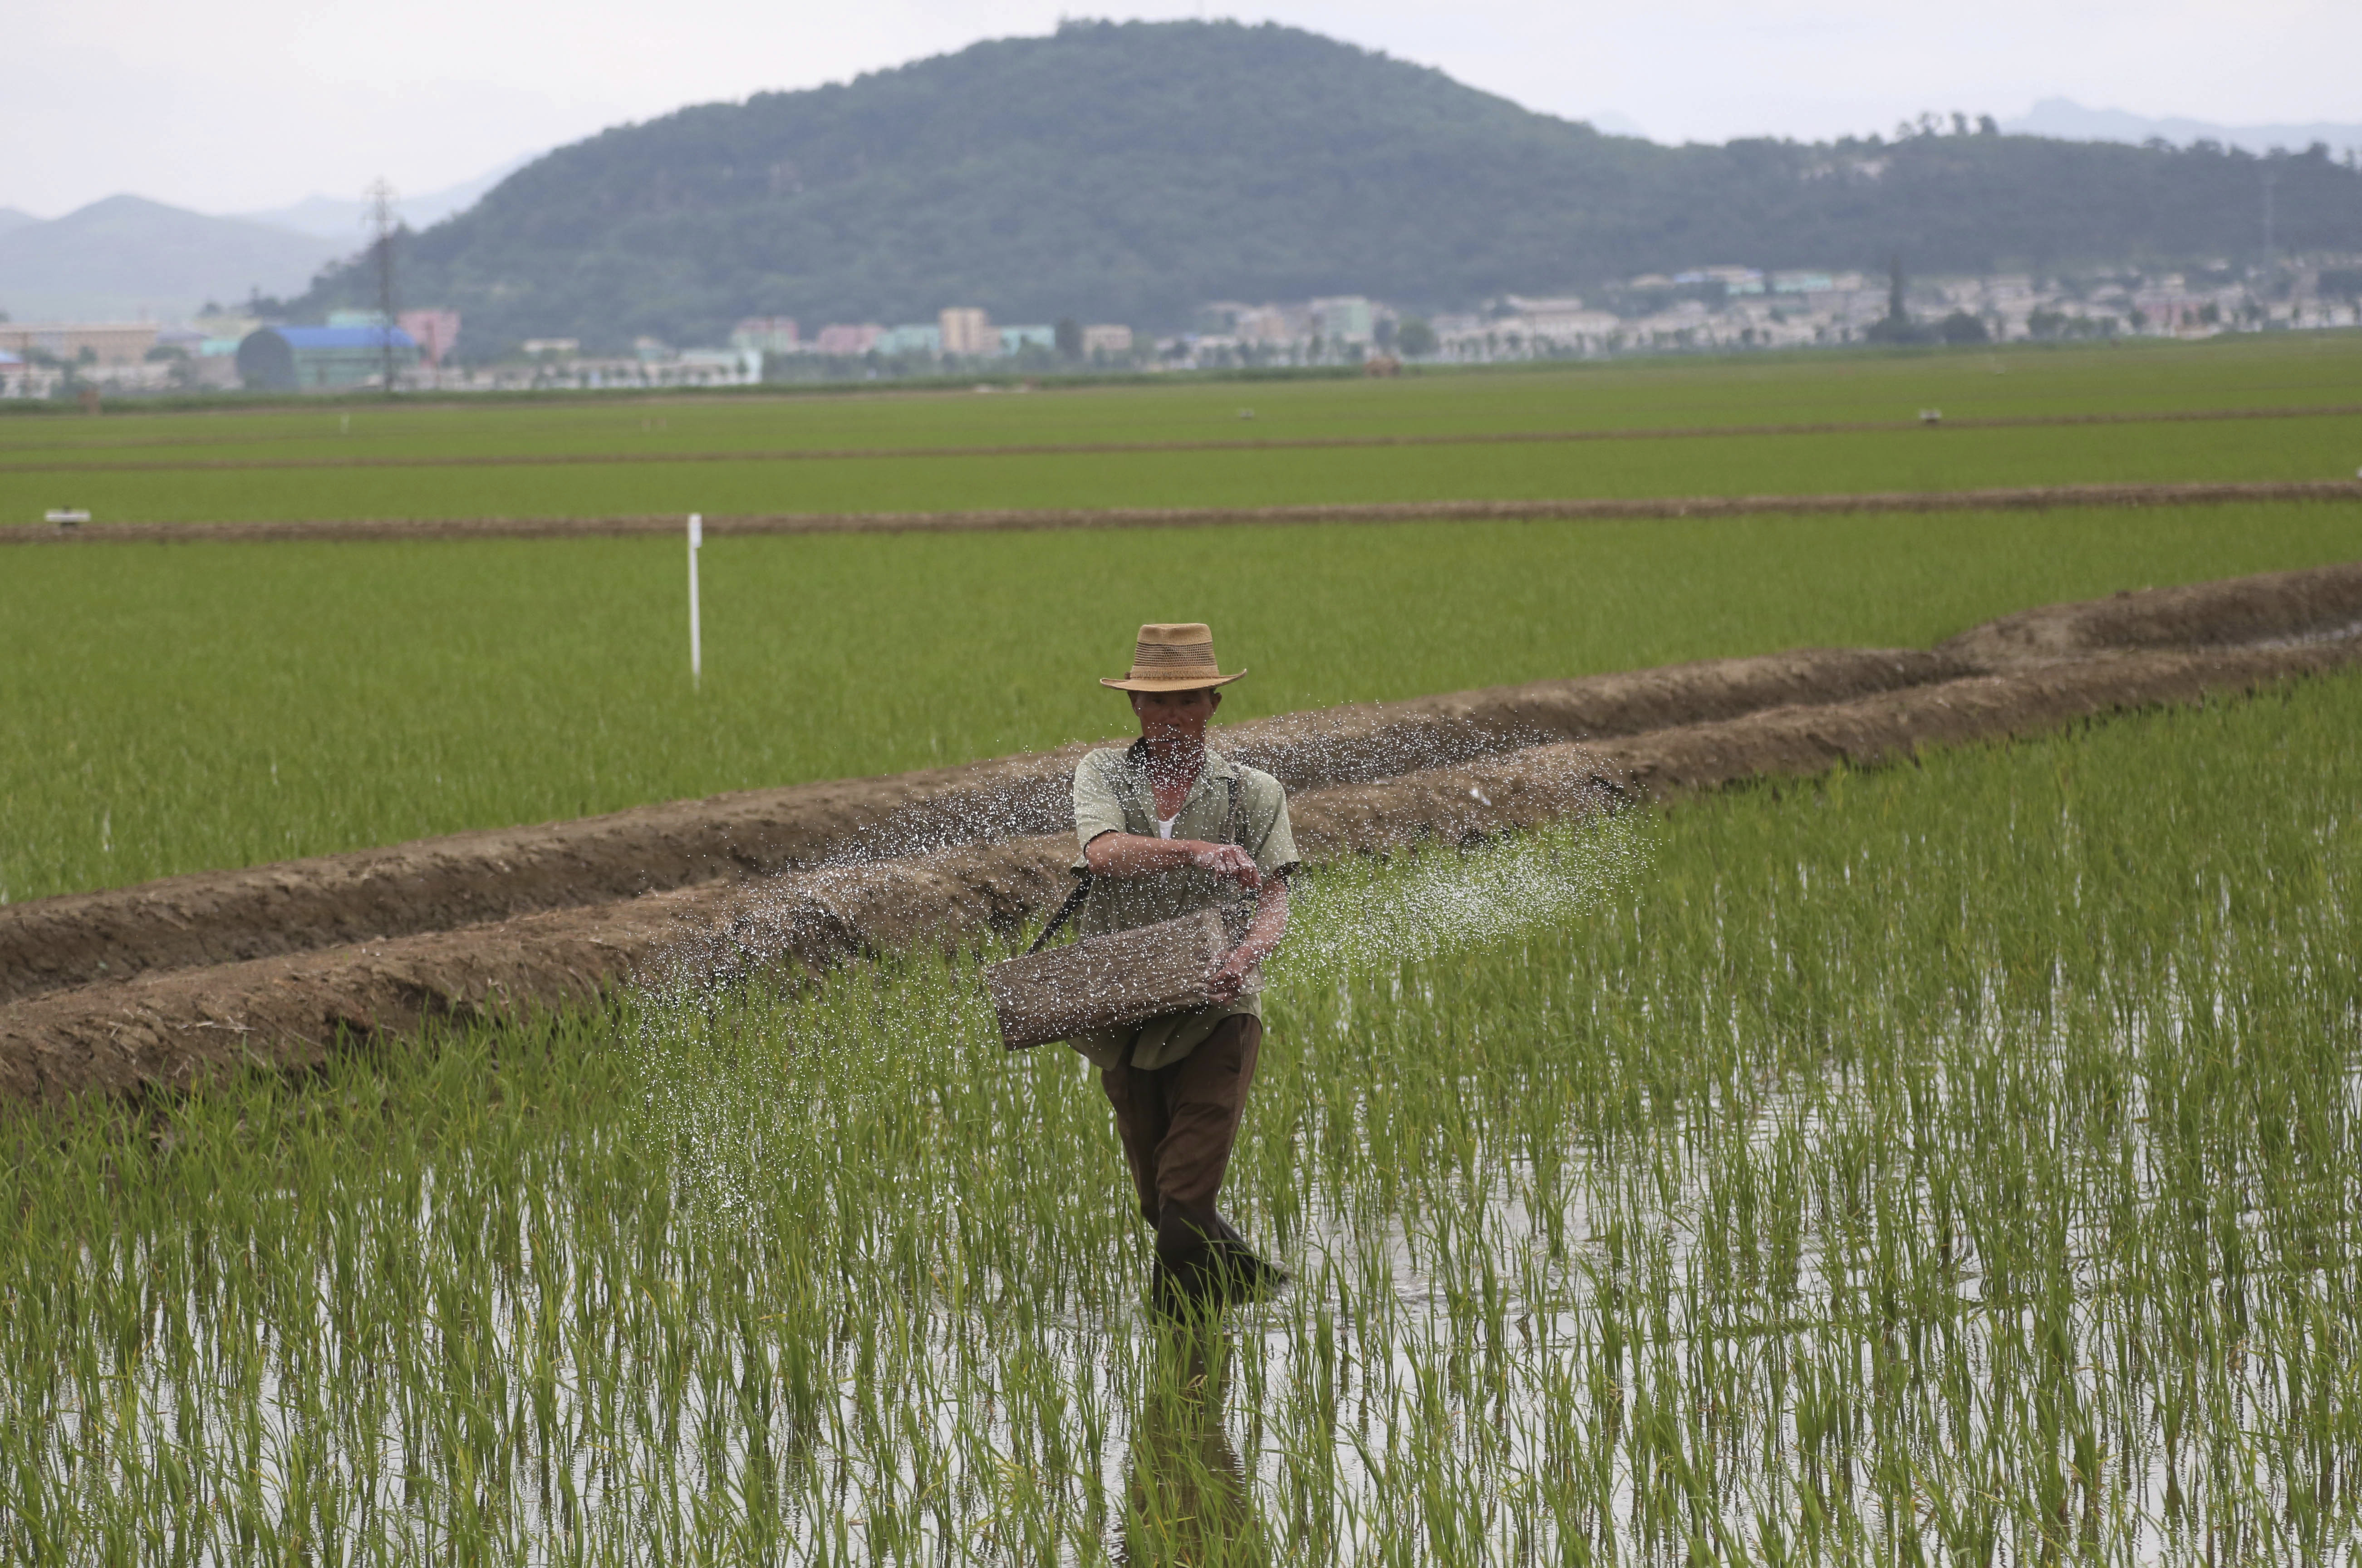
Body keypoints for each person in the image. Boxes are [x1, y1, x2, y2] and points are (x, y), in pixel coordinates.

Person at [1069, 622, 1296, 1315]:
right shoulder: (1103, 773)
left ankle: (1179, 1352)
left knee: (1183, 1208)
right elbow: (1104, 854)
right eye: (1158, 704)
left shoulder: (1251, 792)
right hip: (1126, 1007)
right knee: (1157, 1204)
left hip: (1216, 1012)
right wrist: (1196, 851)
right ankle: (1255, 1283)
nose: (1173, 718)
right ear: (1134, 707)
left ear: (1213, 707)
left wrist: (1245, 958)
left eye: (1189, 702)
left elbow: (1275, 900)